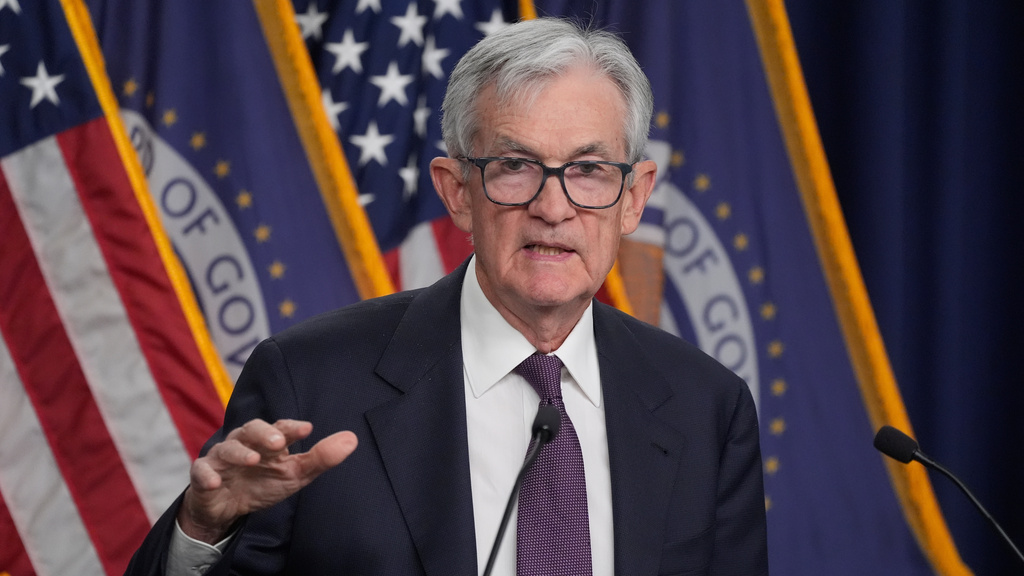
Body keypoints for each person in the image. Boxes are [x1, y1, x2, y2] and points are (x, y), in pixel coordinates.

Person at [125, 17, 768, 576]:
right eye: (515, 166)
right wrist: (203, 532)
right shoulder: (312, 384)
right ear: (457, 190)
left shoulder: (706, 408)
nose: (553, 208)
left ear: (633, 197)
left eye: (588, 170)